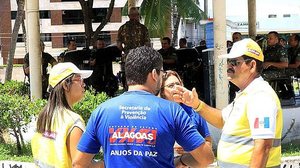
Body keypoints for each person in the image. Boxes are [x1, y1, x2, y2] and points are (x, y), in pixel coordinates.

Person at [73, 46, 214, 168]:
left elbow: (78, 163)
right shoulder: (171, 111)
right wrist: (180, 161)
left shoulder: (102, 111)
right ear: (154, 74)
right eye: (161, 72)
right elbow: (206, 158)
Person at [172, 38, 283, 167]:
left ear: (252, 65)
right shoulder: (247, 94)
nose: (229, 66)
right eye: (229, 61)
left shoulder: (260, 96)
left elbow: (263, 146)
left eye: (235, 62)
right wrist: (197, 104)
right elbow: (222, 120)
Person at [31, 62, 103, 167]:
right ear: (65, 85)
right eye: (79, 79)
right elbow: (79, 165)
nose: (84, 84)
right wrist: (102, 164)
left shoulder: (43, 115)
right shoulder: (73, 121)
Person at [159, 70, 212, 168]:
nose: (176, 88)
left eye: (178, 84)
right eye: (171, 86)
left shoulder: (194, 111)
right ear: (162, 91)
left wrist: (192, 147)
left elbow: (208, 142)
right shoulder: (157, 113)